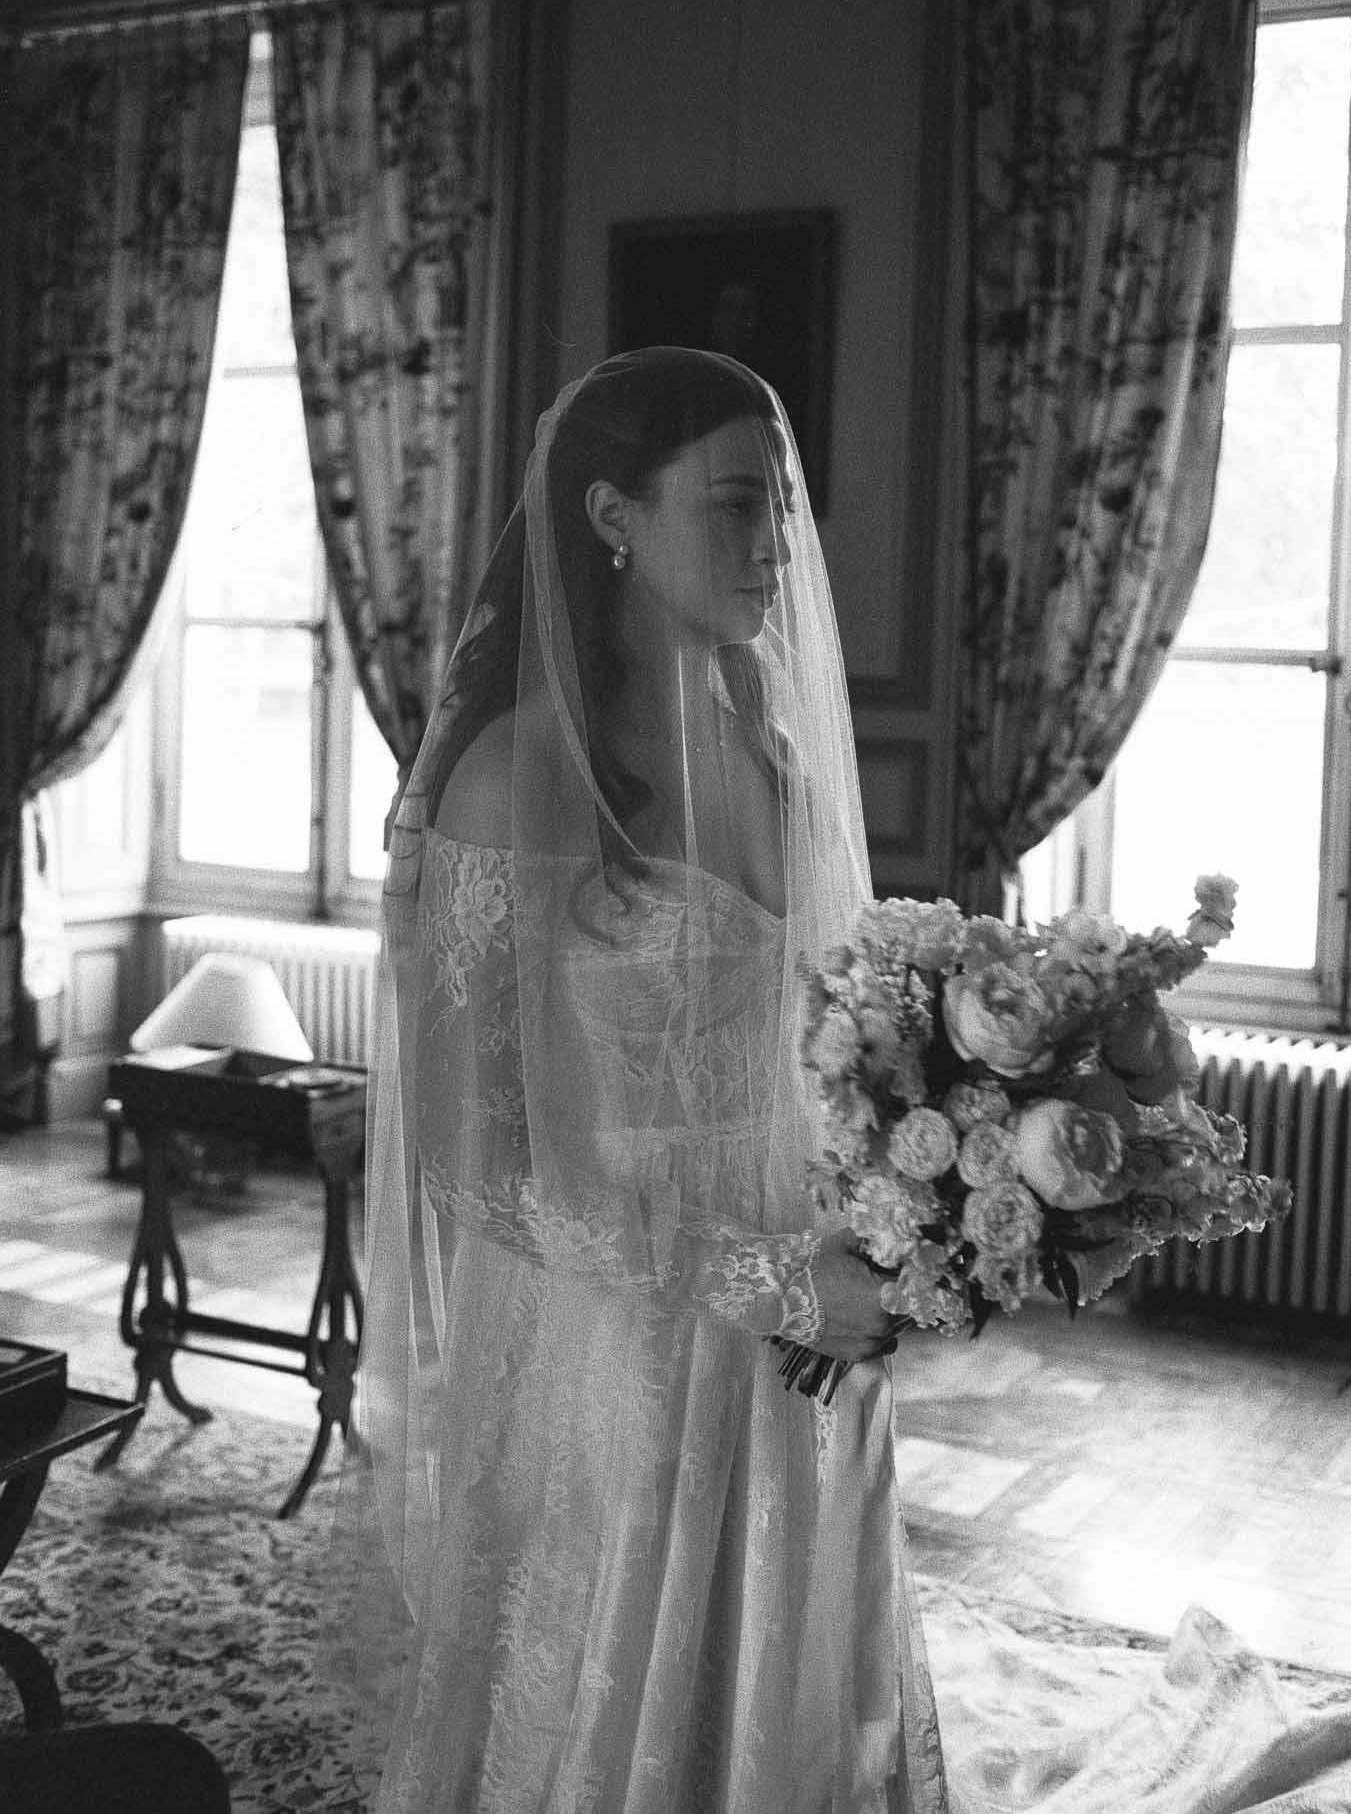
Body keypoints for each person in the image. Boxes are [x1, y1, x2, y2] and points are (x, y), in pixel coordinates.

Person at [322, 348, 950, 1811]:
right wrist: (769, 1282)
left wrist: (905, 1231)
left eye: (782, 508)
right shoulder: (512, 779)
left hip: (816, 1323)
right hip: (621, 1345)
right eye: (734, 505)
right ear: (612, 515)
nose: (774, 544)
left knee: (798, 1701)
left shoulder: (773, 751)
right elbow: (474, 1160)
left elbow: (834, 1057)